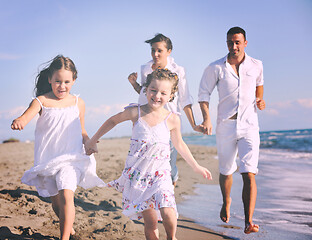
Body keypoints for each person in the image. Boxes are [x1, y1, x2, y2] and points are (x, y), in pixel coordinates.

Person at [86, 68, 212, 240]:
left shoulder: (172, 119)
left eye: (163, 93)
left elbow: (179, 144)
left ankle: (171, 237)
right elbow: (112, 120)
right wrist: (93, 140)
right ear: (146, 89)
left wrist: (196, 166)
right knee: (151, 224)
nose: (157, 95)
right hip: (139, 177)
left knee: (168, 210)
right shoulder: (136, 112)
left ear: (170, 96)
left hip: (161, 174)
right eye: (153, 90)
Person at [11, 55, 104, 240]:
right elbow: (26, 116)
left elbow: (82, 130)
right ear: (49, 80)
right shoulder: (41, 101)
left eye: (67, 82)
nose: (62, 86)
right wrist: (20, 121)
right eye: (58, 81)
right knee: (57, 204)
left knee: (67, 196)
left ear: (74, 80)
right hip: (48, 161)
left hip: (71, 158)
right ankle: (69, 229)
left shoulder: (79, 103)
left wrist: (89, 143)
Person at [198, 26, 266, 234]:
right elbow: (203, 94)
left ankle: (248, 222)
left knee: (249, 173)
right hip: (226, 125)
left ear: (245, 42)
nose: (233, 46)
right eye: (230, 42)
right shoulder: (215, 67)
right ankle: (226, 200)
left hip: (249, 126)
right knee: (226, 171)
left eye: (237, 42)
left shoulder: (256, 65)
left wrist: (261, 101)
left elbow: (259, 89)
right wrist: (207, 118)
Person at [128, 33, 203, 187]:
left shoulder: (178, 71)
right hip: (146, 120)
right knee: (146, 161)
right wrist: (134, 84)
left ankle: (171, 187)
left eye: (159, 51)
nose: (155, 54)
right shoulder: (145, 69)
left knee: (168, 162)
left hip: (168, 123)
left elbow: (185, 99)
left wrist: (194, 124)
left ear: (169, 51)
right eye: (153, 50)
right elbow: (146, 93)